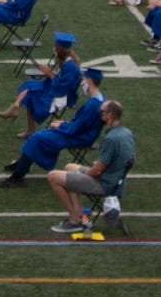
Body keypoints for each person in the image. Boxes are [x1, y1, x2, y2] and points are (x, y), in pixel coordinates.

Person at [46, 98, 135, 236]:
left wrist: (82, 175)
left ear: (110, 115)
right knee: (70, 167)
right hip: (115, 179)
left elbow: (98, 170)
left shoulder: (111, 138)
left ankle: (75, 220)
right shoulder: (127, 133)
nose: (100, 114)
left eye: (102, 112)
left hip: (105, 183)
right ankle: (80, 214)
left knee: (53, 176)